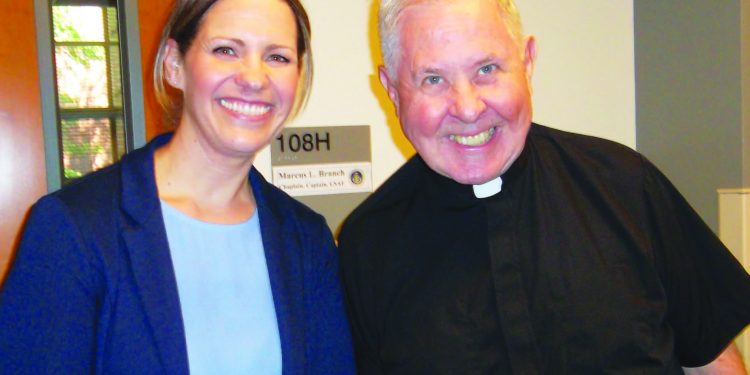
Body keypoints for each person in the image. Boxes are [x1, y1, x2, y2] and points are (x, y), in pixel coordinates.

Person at [338, 0, 750, 373]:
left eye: (486, 70)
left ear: (527, 62)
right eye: (432, 79)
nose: (467, 108)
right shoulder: (366, 244)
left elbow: (711, 360)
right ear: (392, 90)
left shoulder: (625, 184)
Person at [0, 0, 355, 373]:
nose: (254, 77)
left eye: (278, 57)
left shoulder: (306, 240)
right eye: (226, 50)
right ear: (174, 64)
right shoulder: (75, 230)